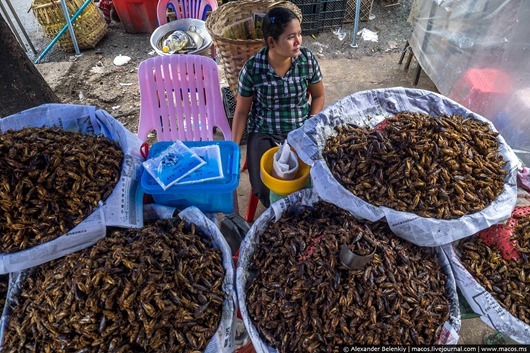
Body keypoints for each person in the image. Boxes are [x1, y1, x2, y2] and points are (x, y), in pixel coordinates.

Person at [231, 6, 325, 208]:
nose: (298, 41)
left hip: (300, 128)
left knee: (316, 180)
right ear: (272, 42)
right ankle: (278, 214)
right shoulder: (253, 69)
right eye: (291, 36)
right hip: (264, 131)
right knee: (265, 188)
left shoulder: (306, 61)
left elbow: (318, 96)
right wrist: (233, 149)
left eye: (299, 34)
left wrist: (310, 124)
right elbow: (241, 112)